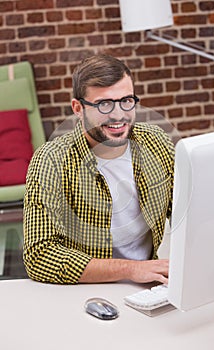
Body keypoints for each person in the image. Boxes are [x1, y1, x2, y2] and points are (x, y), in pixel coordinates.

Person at [23, 54, 175, 285]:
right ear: (78, 108)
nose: (118, 115)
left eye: (126, 100)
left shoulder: (155, 141)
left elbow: (189, 211)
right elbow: (39, 256)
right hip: (84, 290)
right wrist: (130, 269)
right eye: (104, 104)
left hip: (149, 284)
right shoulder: (51, 160)